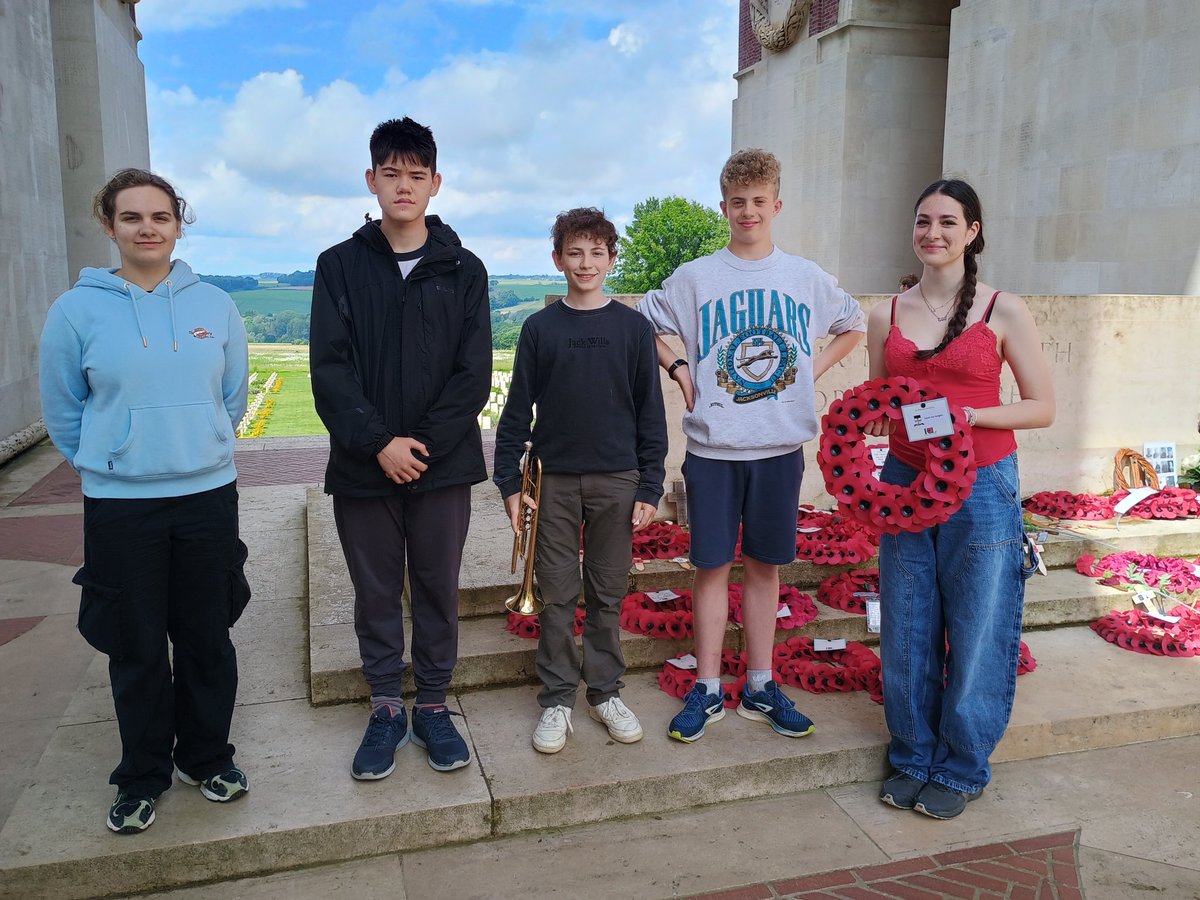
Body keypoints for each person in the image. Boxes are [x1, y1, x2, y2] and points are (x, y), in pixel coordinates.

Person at [39, 168, 251, 834]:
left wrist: (199, 445)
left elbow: (233, 396)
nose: (147, 228)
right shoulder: (76, 311)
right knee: (134, 646)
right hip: (121, 507)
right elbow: (64, 409)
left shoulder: (214, 304)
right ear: (110, 226)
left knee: (206, 637)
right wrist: (111, 459)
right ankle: (142, 774)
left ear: (177, 224)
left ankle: (208, 757)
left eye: (160, 216)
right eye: (131, 217)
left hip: (206, 497)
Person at [637, 149, 866, 742]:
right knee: (711, 567)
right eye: (738, 203)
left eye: (759, 202)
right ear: (724, 207)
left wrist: (810, 371)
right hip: (714, 449)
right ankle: (707, 687)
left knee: (765, 568)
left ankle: (761, 685)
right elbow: (648, 319)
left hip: (779, 446)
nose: (748, 212)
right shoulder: (696, 277)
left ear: (776, 205)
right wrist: (682, 368)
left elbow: (854, 324)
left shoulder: (804, 277)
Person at [865, 178, 1054, 820]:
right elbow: (880, 403)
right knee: (908, 622)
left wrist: (969, 417)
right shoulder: (884, 315)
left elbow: (1042, 406)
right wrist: (858, 429)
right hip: (904, 483)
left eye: (948, 222)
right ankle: (913, 753)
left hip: (983, 488)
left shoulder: (1004, 310)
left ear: (972, 231)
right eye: (923, 221)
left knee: (979, 625)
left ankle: (964, 764)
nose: (933, 233)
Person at [310, 117, 491, 779]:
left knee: (438, 586)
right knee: (376, 590)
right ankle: (387, 707)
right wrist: (380, 442)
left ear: (435, 183)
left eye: (417, 174)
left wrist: (421, 448)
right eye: (392, 173)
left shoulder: (464, 270)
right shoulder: (339, 266)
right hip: (363, 467)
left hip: (443, 468)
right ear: (372, 180)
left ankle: (434, 707)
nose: (404, 185)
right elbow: (329, 370)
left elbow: (472, 373)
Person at [494, 208, 668, 754]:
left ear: (612, 260)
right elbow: (517, 408)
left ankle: (606, 692)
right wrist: (507, 482)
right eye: (575, 252)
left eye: (597, 252)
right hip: (554, 483)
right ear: (557, 259)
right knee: (557, 593)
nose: (586, 263)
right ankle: (556, 700)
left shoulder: (634, 329)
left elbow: (650, 413)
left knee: (608, 590)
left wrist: (650, 485)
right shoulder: (540, 328)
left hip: (618, 479)